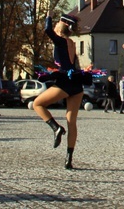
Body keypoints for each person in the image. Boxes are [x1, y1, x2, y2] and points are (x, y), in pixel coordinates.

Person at [34, 12, 83, 170]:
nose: (54, 25)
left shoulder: (60, 41)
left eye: (57, 23)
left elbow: (48, 30)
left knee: (37, 104)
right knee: (72, 122)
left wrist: (47, 17)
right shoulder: (71, 43)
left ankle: (56, 128)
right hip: (76, 83)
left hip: (65, 82)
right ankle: (69, 159)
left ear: (61, 27)